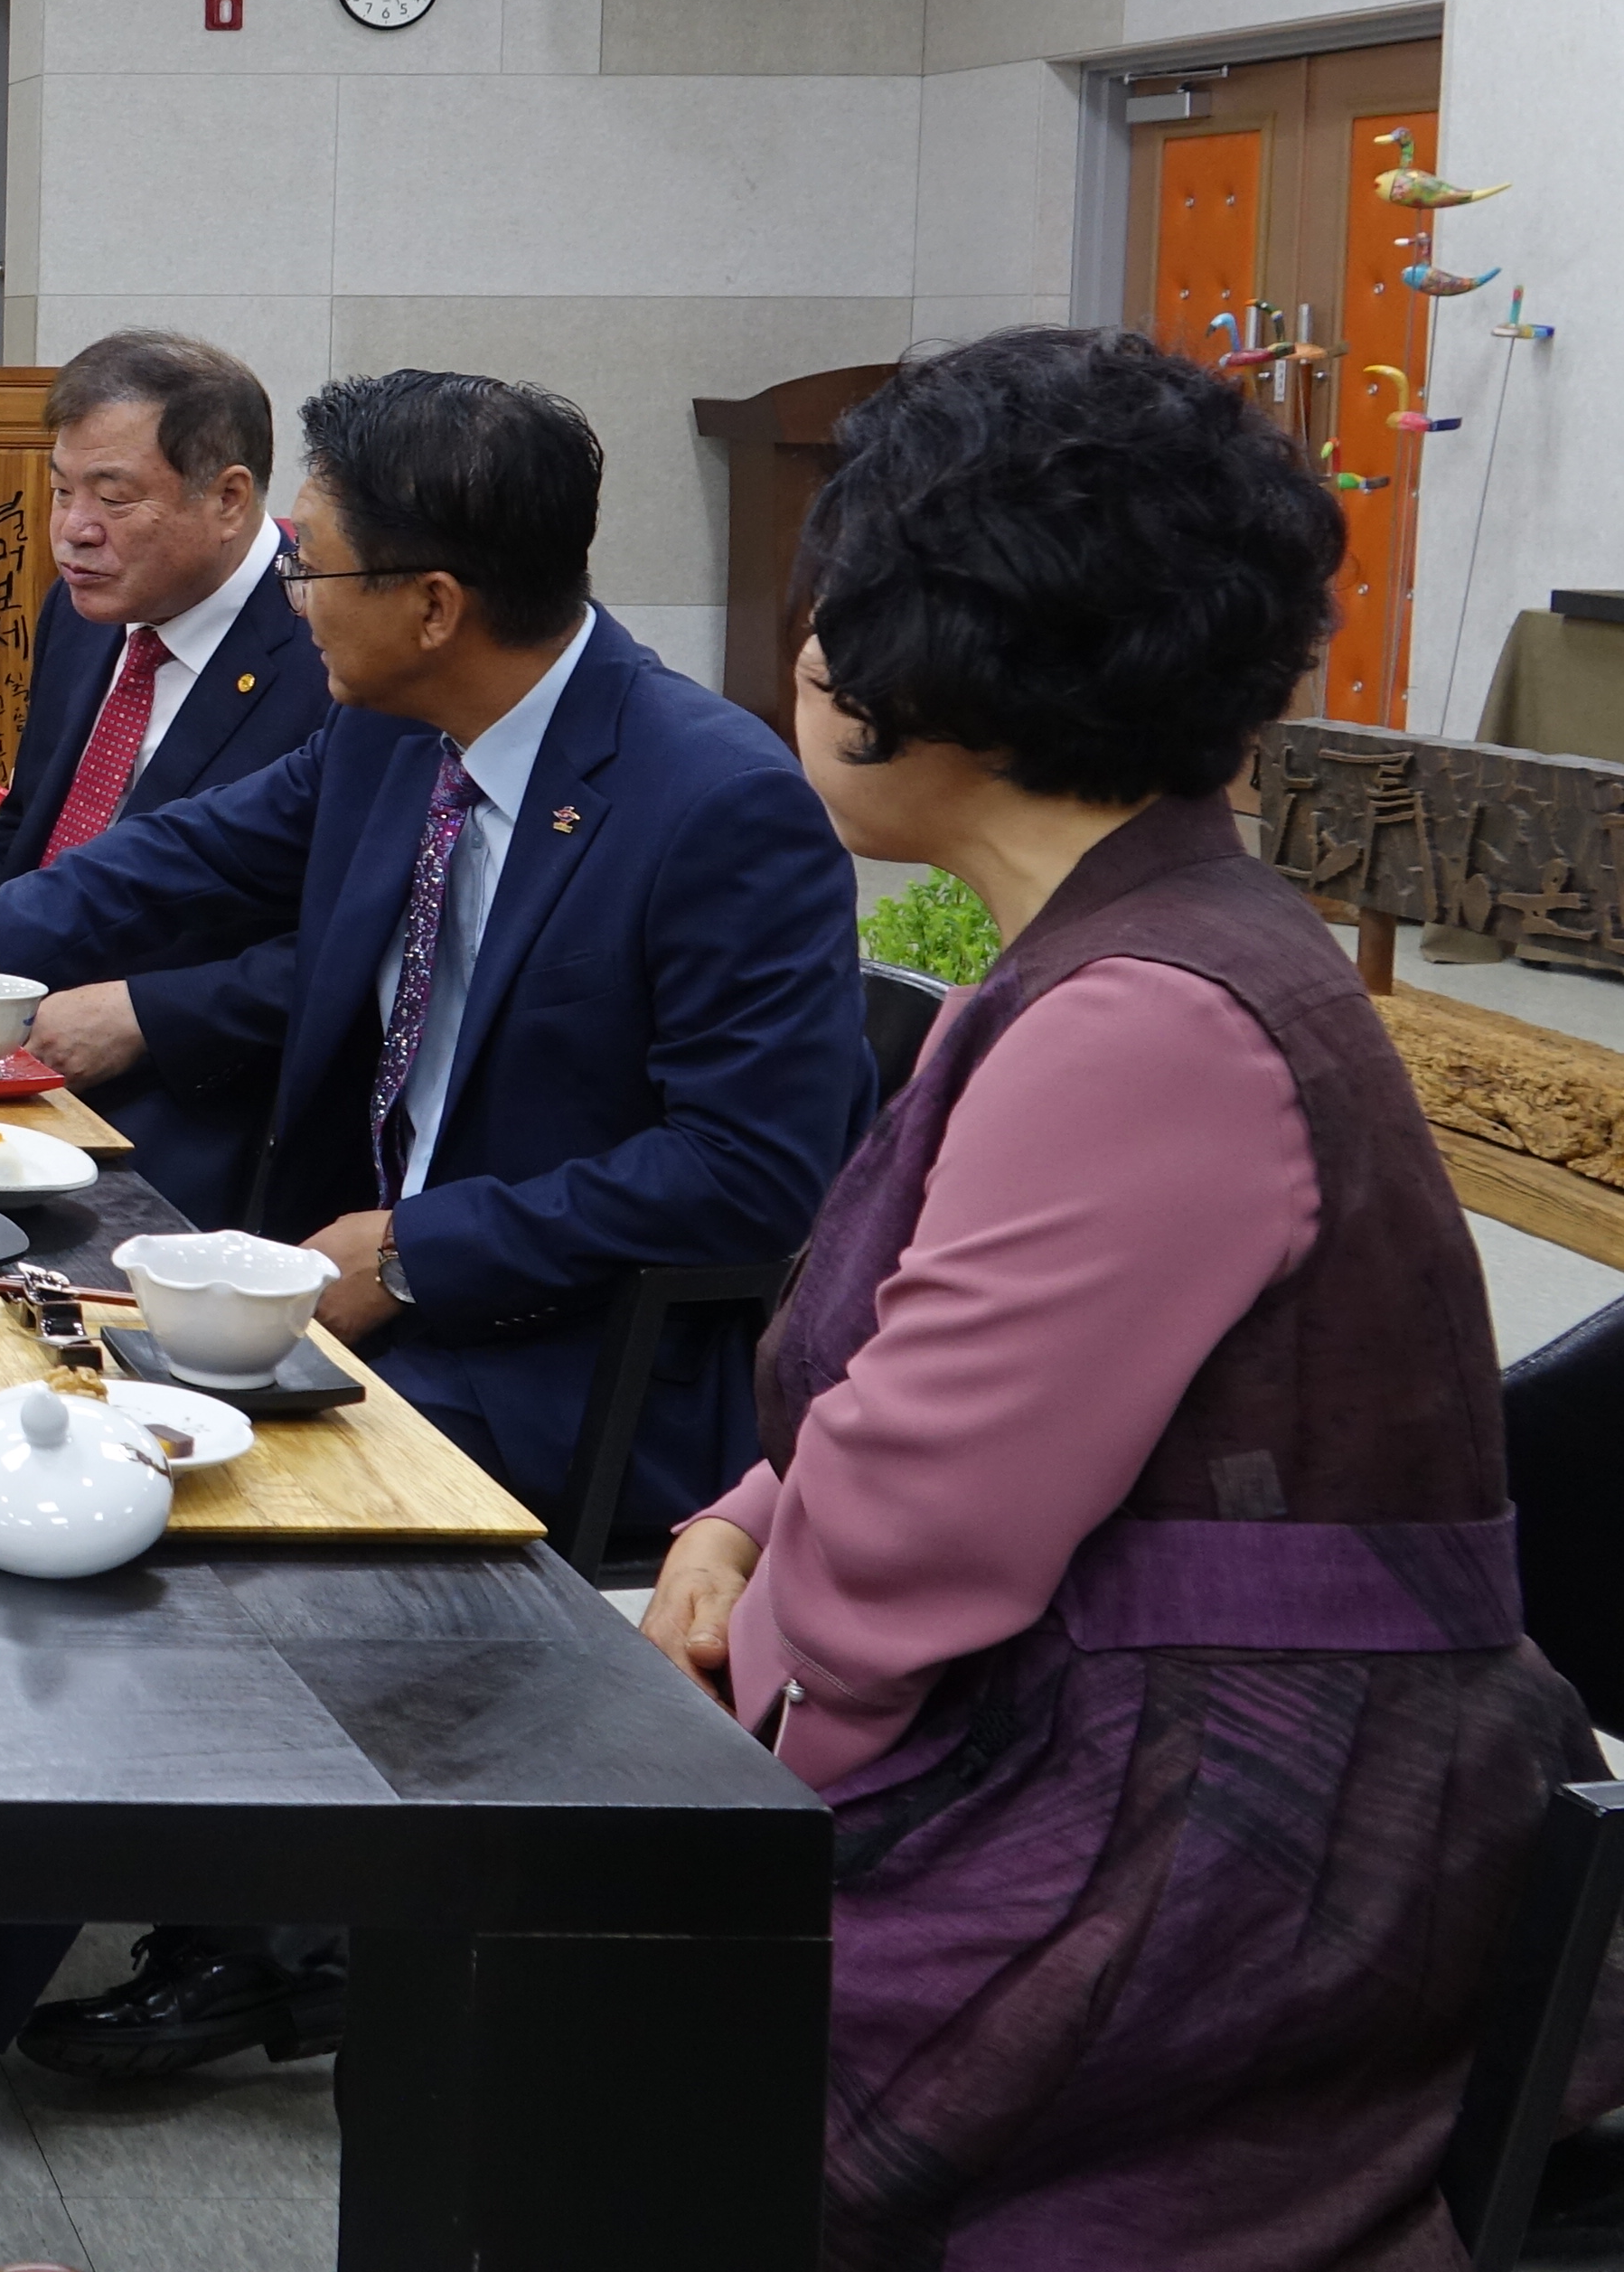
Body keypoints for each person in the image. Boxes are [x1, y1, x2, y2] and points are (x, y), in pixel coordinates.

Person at [0, 366, 868, 2118]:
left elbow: (755, 1174)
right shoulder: (388, 729)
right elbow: (186, 857)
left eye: (314, 565)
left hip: (565, 1352)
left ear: (433, 604)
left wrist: (421, 1253)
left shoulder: (711, 799)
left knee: (140, 1509)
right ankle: (257, 1936)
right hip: (342, 1281)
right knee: (4, 1375)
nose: (287, 595)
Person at [640, 327, 1606, 2263]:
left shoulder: (1146, 1018)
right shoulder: (1134, 938)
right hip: (1166, 1737)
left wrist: (728, 1793)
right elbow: (931, 1393)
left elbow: (916, 1550)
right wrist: (747, 1518)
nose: (805, 652)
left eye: (839, 603)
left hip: (1220, 1842)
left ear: (934, 660)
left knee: (615, 1995)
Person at [0, 330, 328, 1225]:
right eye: (62, 490)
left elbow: (347, 943)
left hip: (203, 1090)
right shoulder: (87, 604)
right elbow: (27, 831)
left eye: (115, 496)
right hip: (15, 1035)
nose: (74, 530)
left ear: (229, 498)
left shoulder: (326, 648)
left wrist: (146, 1015)